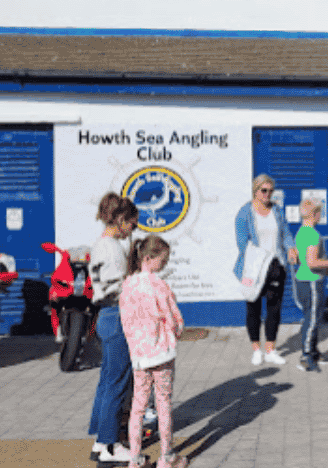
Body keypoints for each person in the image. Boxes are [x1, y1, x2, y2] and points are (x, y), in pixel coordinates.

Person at [120, 236, 187, 468]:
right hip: (162, 354)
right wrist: (175, 333)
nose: (165, 264)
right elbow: (174, 318)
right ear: (149, 258)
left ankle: (135, 459)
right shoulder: (158, 285)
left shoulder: (127, 285)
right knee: (163, 404)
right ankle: (167, 457)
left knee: (137, 408)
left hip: (139, 356)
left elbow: (125, 322)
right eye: (163, 259)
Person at [88, 193, 139, 464]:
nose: (134, 229)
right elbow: (121, 288)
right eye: (132, 223)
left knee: (108, 380)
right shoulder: (113, 249)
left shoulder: (100, 245)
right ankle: (110, 444)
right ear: (120, 220)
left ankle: (100, 440)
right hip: (117, 315)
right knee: (118, 383)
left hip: (105, 315)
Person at [233, 174, 299, 367]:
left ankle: (270, 349)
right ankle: (256, 349)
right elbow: (241, 242)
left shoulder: (276, 210)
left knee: (274, 308)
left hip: (276, 266)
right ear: (256, 190)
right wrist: (259, 260)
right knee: (253, 308)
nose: (268, 194)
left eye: (271, 191)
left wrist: (291, 247)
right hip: (253, 268)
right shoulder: (245, 212)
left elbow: (285, 232)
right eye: (264, 190)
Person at [294, 198, 328, 373]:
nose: (322, 215)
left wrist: (327, 271)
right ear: (315, 214)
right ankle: (306, 356)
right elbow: (312, 262)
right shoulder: (313, 234)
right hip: (311, 282)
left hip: (304, 281)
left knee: (311, 318)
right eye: (320, 212)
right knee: (312, 320)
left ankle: (313, 352)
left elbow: (298, 258)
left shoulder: (301, 232)